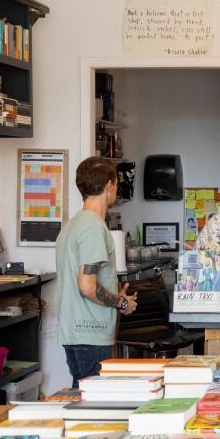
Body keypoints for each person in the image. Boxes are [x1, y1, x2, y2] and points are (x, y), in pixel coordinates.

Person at [56, 157, 138, 387]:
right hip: (89, 333)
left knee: (83, 398)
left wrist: (115, 295)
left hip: (77, 332)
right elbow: (87, 286)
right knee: (90, 406)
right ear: (109, 185)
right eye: (117, 184)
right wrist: (121, 304)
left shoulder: (73, 225)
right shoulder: (92, 227)